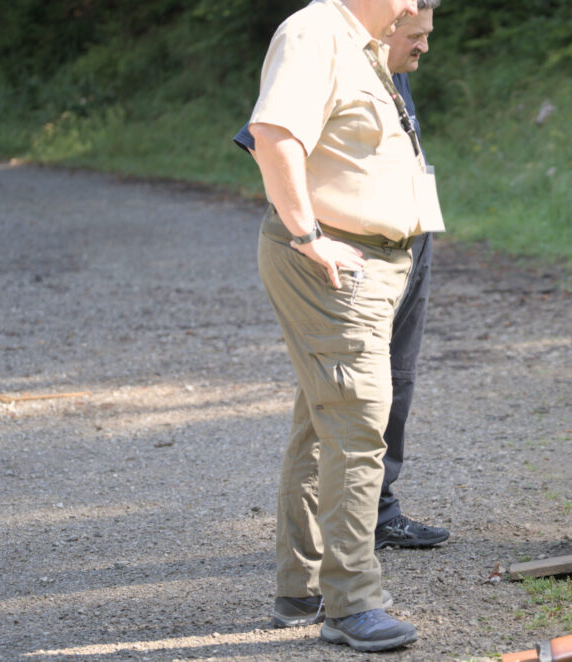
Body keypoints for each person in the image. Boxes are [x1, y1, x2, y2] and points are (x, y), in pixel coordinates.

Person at [243, 0, 444, 652]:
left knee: (321, 422)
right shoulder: (314, 34)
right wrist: (307, 236)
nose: (418, 8)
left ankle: (299, 589)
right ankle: (350, 602)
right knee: (359, 425)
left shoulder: (362, 41)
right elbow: (274, 137)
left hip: (378, 261)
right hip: (335, 263)